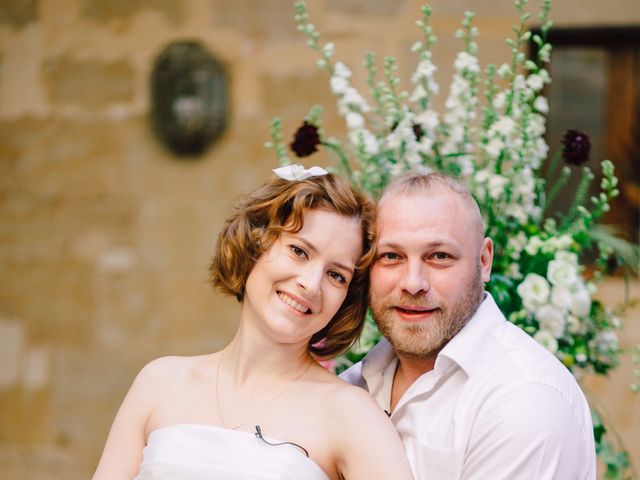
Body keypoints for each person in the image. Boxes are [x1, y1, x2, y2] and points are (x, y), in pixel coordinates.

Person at [92, 165, 414, 480]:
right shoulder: (158, 382)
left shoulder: (351, 414)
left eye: (336, 275)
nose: (311, 284)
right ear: (255, 246)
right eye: (299, 251)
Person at [341, 171, 596, 479]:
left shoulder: (524, 399)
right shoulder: (353, 383)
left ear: (484, 261)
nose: (413, 283)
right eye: (391, 256)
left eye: (439, 256)